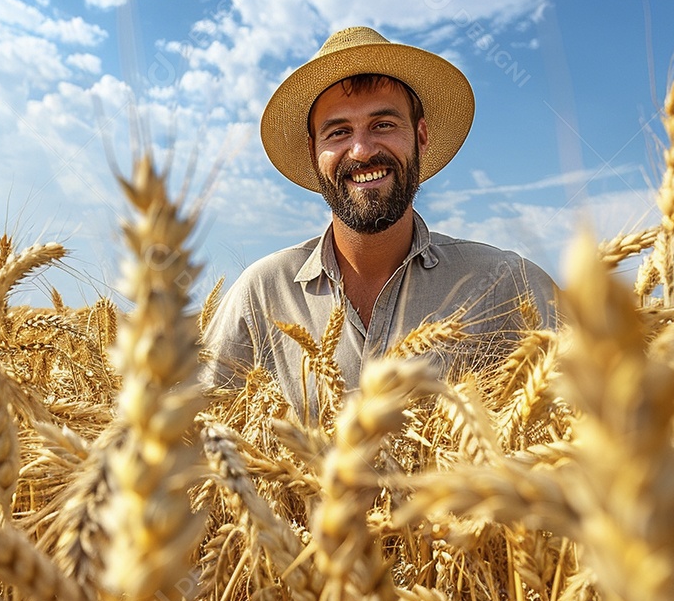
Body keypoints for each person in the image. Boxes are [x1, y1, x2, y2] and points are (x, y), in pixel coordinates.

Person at [203, 26, 558, 417]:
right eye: (338, 132)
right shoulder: (262, 295)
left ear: (421, 136)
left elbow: (603, 407)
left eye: (383, 125)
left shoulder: (506, 282)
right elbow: (195, 439)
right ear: (314, 152)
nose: (362, 150)